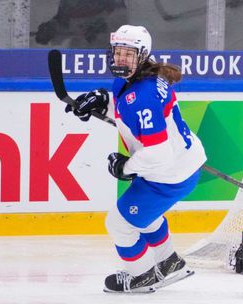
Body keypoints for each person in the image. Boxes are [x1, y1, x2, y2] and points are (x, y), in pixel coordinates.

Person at [65, 25, 207, 293]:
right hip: (180, 165)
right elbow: (124, 106)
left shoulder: (143, 96)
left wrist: (125, 167)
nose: (121, 59)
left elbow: (157, 152)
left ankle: (141, 276)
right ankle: (168, 263)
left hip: (167, 173)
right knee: (144, 215)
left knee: (119, 224)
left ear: (142, 55)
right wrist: (99, 100)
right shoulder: (138, 78)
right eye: (118, 51)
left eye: (129, 54)